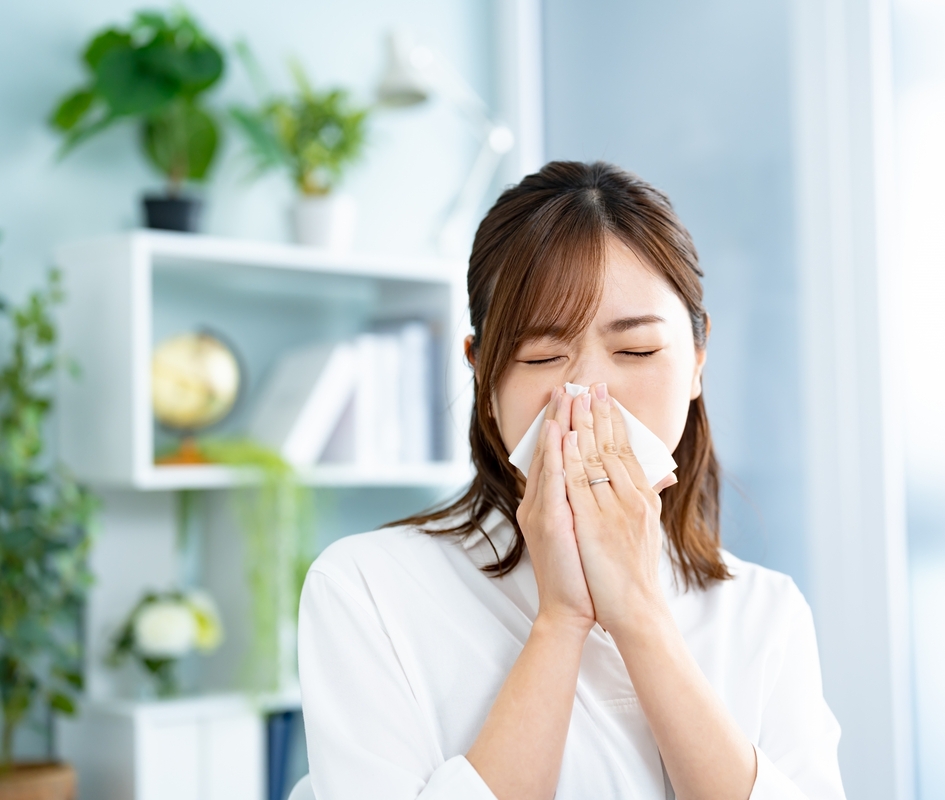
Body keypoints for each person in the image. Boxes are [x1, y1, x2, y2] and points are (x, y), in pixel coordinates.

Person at [297, 161, 846, 799]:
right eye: (542, 356)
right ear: (482, 373)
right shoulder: (366, 589)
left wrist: (639, 614)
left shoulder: (764, 612)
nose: (587, 394)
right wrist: (559, 621)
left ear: (697, 360)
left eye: (636, 351)